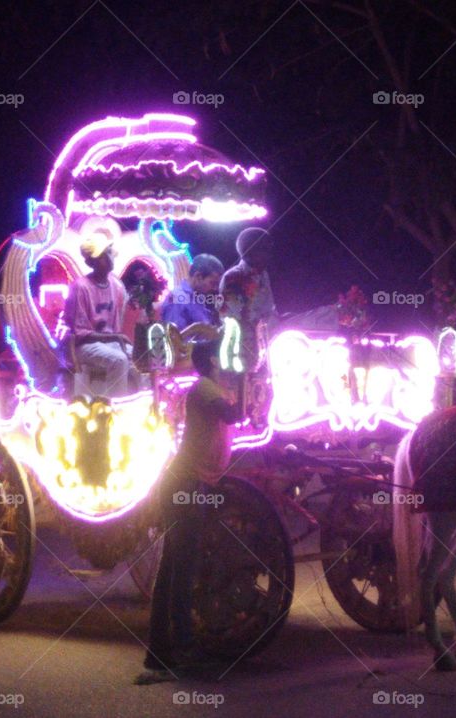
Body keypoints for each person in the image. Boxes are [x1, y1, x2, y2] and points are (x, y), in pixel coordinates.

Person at [137, 338, 240, 684]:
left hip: (188, 484)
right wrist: (244, 382)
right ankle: (181, 649)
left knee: (173, 569)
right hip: (185, 487)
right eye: (225, 356)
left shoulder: (210, 388)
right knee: (180, 570)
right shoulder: (205, 388)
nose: (229, 362)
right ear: (213, 361)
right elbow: (233, 415)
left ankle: (160, 653)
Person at [62, 231, 131, 396]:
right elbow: (80, 334)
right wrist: (116, 337)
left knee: (142, 358)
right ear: (91, 262)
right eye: (102, 255)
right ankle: (114, 407)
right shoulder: (80, 287)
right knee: (119, 360)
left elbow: (115, 328)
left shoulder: (115, 284)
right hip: (84, 346)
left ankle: (141, 403)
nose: (108, 258)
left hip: (109, 343)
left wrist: (116, 338)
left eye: (108, 252)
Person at [219, 227, 276, 369]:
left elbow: (268, 309)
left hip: (263, 341)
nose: (270, 254)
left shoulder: (262, 274)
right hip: (242, 350)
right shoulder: (234, 277)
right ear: (251, 251)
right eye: (265, 249)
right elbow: (236, 320)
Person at [161, 254, 225, 330]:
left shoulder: (198, 297)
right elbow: (176, 336)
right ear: (198, 277)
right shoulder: (177, 300)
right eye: (213, 283)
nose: (215, 288)